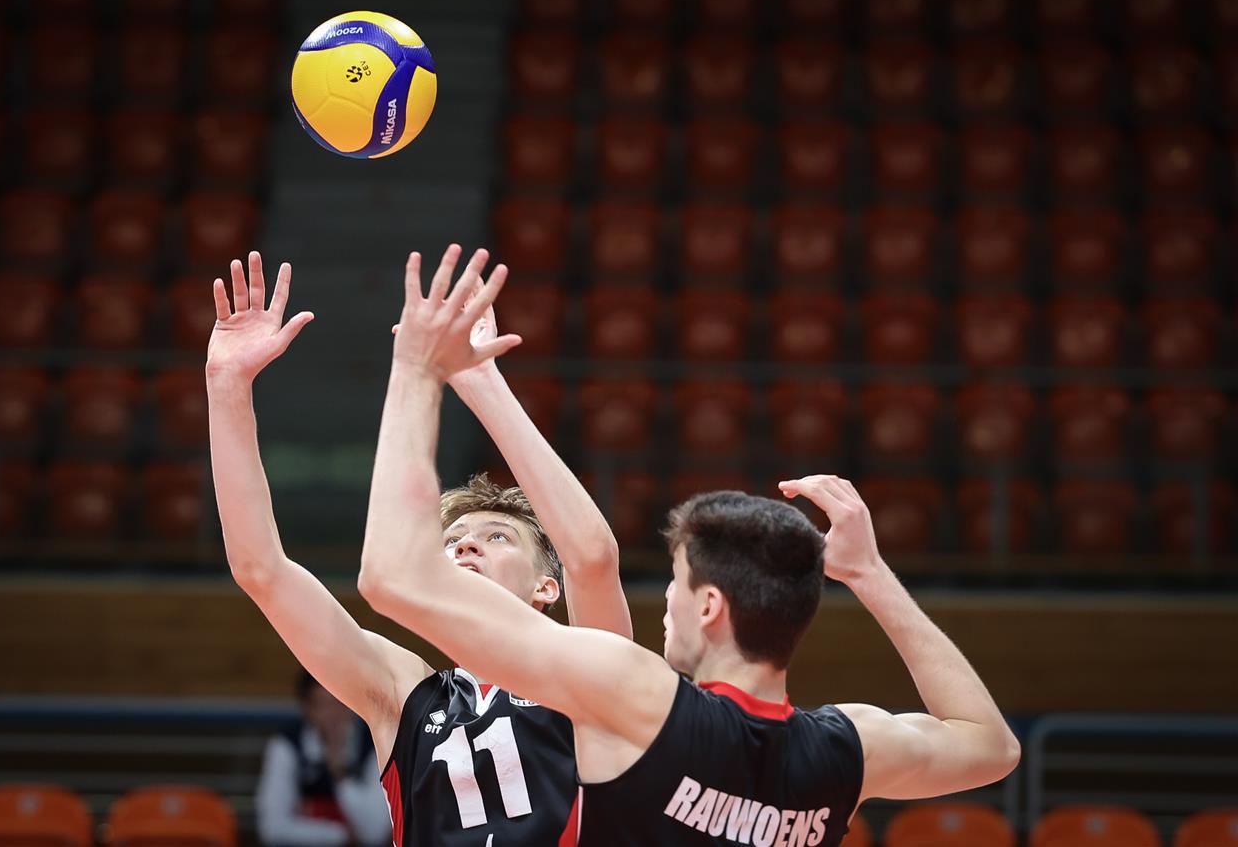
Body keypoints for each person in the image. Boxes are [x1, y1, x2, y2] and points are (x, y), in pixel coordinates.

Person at [359, 249, 1021, 846]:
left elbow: (396, 576)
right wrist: (870, 574)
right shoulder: (848, 751)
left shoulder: (640, 703)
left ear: (709, 606)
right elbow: (992, 747)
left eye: (677, 582)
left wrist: (420, 371)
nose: (667, 601)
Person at [206, 250, 631, 845]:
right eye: (451, 541)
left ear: (546, 587)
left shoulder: (587, 674)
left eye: (497, 537)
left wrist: (479, 382)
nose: (467, 546)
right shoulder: (404, 690)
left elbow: (592, 558)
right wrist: (226, 386)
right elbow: (261, 570)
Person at [256, 671, 391, 847]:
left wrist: (341, 776)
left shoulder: (375, 745)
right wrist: (339, 836)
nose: (333, 715)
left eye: (340, 703)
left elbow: (374, 832)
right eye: (323, 705)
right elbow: (272, 828)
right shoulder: (286, 745)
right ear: (307, 709)